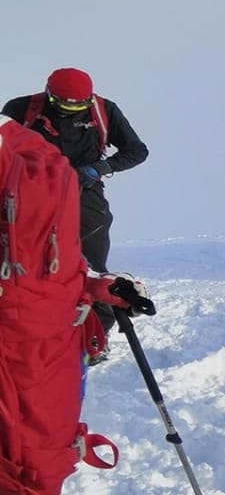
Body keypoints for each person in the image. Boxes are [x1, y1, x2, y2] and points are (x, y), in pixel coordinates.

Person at [3, 67, 149, 337]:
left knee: (92, 263)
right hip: (29, 195)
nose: (70, 112)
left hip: (83, 194)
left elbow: (136, 151)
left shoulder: (104, 111)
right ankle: (28, 328)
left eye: (80, 106)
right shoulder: (21, 109)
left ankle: (95, 337)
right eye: (61, 106)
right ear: (49, 94)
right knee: (24, 260)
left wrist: (98, 169)